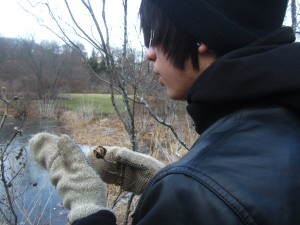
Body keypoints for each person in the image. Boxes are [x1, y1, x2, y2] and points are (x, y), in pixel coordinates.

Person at [29, 0, 300, 224]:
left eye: (156, 36)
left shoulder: (195, 192)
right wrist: (162, 183)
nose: (149, 53)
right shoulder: (285, 113)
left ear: (202, 34)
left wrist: (88, 209)